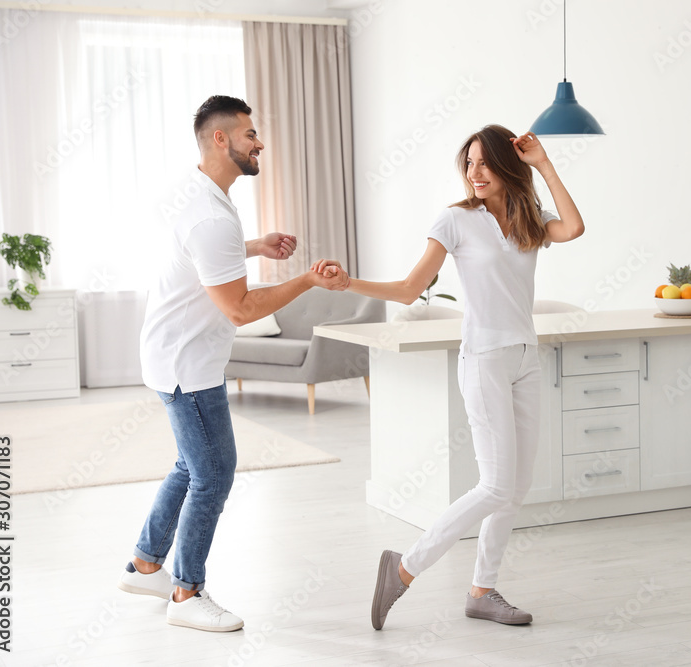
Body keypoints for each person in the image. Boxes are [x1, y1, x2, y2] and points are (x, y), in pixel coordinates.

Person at [336, 124, 584, 629]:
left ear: (507, 165)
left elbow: (574, 228)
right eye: (469, 163)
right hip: (484, 359)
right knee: (495, 485)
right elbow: (410, 289)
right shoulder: (454, 220)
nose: (475, 173)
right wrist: (348, 283)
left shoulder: (528, 217)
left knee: (516, 487)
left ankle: (482, 591)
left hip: (524, 357)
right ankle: (403, 568)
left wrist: (545, 165)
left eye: (485, 163)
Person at [117, 95, 347, 632]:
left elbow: (204, 252)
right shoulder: (209, 216)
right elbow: (241, 309)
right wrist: (307, 279)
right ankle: (185, 593)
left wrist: (255, 246)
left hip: (172, 353)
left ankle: (147, 564)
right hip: (188, 365)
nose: (259, 142)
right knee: (214, 474)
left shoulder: (202, 196)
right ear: (220, 139)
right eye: (249, 134)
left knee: (190, 466)